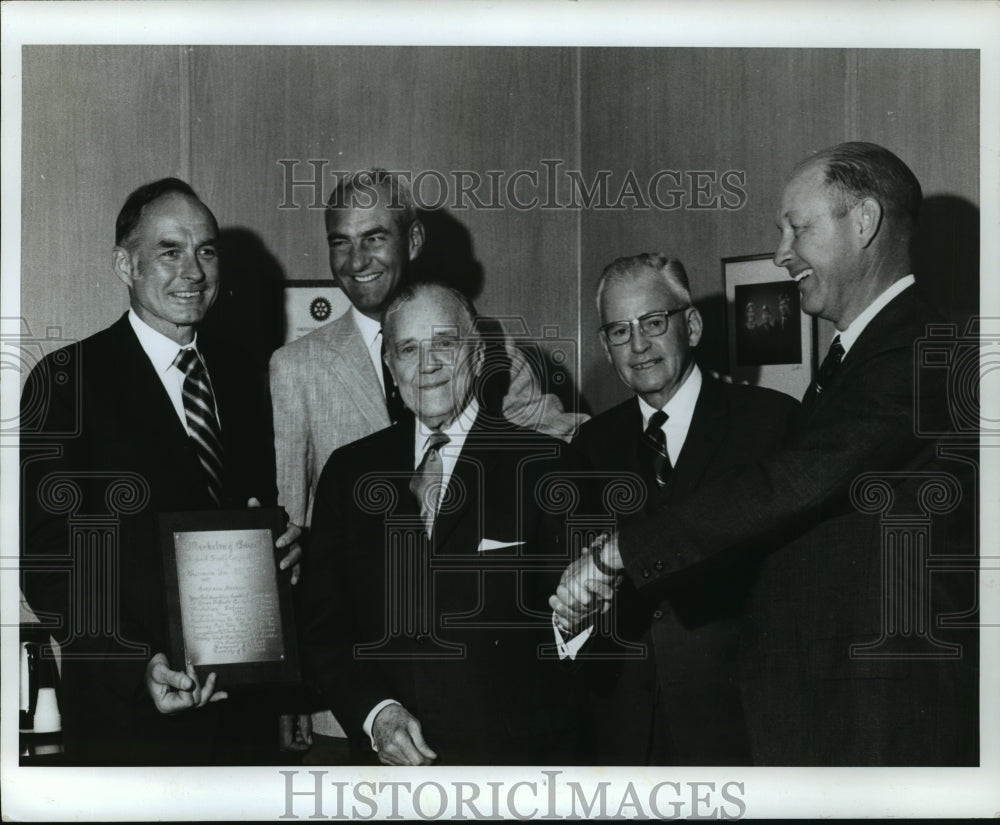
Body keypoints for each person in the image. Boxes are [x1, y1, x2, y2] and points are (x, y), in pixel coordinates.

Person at [552, 142, 978, 766]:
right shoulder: (857, 358)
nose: (781, 253)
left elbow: (791, 482)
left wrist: (621, 551)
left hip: (882, 709)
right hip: (830, 703)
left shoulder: (919, 351)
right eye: (619, 331)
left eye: (797, 229)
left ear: (864, 222)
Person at [269, 168, 585, 747]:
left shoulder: (529, 440)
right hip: (364, 714)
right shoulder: (310, 391)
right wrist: (306, 693)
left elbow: (561, 441)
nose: (428, 365)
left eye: (374, 237)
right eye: (341, 241)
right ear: (392, 364)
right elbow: (297, 542)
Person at [19, 178, 301, 765]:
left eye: (206, 250)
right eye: (170, 251)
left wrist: (285, 550)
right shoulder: (67, 382)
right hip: (130, 719)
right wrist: (135, 663)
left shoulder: (244, 376)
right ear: (125, 265)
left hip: (243, 717)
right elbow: (49, 563)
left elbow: (252, 514)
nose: (193, 271)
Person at [300, 282, 579, 765]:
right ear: (391, 366)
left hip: (509, 768)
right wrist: (376, 714)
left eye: (445, 344)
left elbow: (576, 635)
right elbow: (323, 628)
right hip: (386, 771)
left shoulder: (547, 467)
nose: (427, 365)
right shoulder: (349, 473)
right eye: (408, 349)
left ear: (478, 354)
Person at [566, 254, 796, 765]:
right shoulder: (590, 445)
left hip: (738, 727)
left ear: (690, 326)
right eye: (620, 331)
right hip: (622, 735)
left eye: (653, 322)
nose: (638, 345)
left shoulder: (770, 423)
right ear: (605, 347)